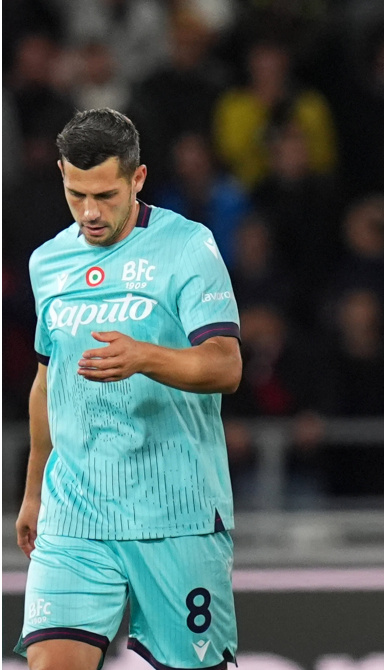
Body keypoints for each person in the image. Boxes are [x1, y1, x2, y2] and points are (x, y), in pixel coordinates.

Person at [15, 109, 242, 670]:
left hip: (176, 513)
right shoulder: (48, 262)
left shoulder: (188, 246)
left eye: (106, 195)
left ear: (138, 178)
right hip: (75, 512)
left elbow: (225, 366)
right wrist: (34, 491)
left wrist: (145, 357)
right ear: (62, 175)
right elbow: (46, 381)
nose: (90, 212)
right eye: (76, 194)